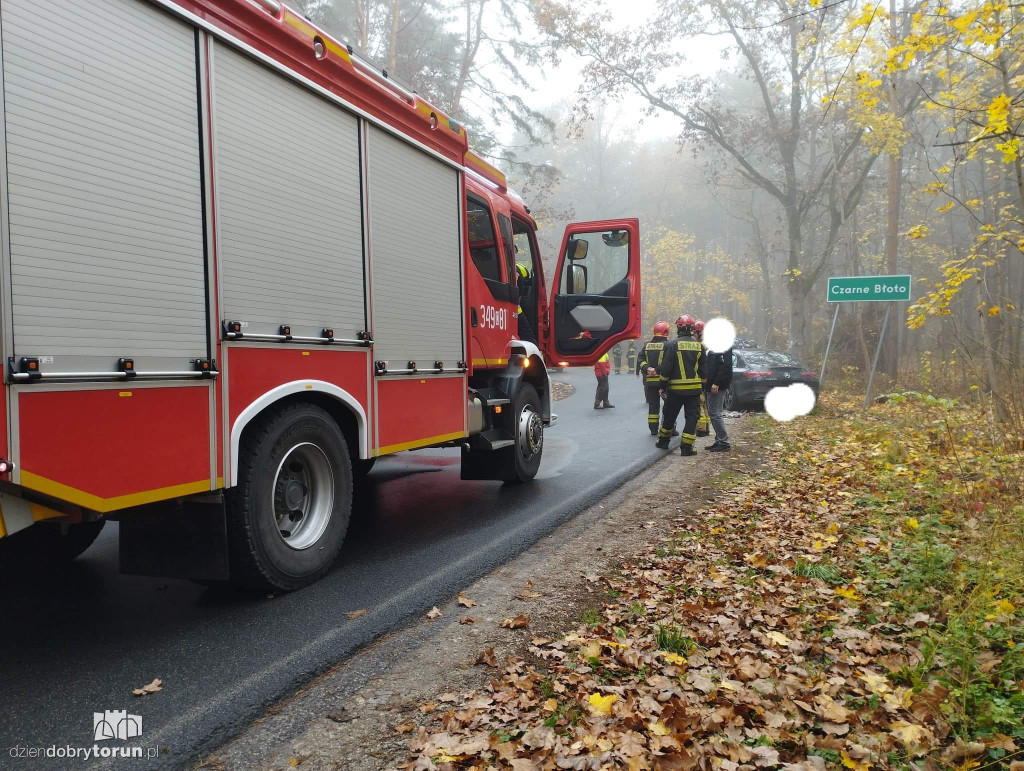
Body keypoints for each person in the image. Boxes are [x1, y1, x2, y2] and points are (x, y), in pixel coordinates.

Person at [655, 315, 704, 456]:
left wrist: (662, 386)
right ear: (691, 328)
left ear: (679, 328)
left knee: (669, 416)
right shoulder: (699, 346)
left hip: (675, 390)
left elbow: (666, 369)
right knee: (692, 418)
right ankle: (687, 448)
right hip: (694, 391)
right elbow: (703, 370)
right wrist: (703, 387)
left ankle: (663, 442)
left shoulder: (672, 345)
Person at [637, 321, 671, 435]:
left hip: (650, 383)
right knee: (669, 405)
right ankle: (668, 428)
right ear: (666, 332)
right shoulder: (668, 345)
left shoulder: (647, 346)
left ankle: (653, 429)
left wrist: (647, 369)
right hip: (664, 382)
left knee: (653, 406)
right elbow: (668, 363)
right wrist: (657, 369)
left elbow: (640, 360)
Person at [705, 342, 733, 452]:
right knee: (715, 412)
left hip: (716, 385)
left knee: (715, 413)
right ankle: (719, 441)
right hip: (711, 384)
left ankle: (724, 442)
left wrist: (716, 383)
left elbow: (724, 367)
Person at [693, 319, 711, 438]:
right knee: (704, 405)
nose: (693, 335)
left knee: (699, 404)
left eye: (694, 332)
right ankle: (706, 428)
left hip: (701, 379)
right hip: (707, 379)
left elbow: (701, 365)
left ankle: (701, 429)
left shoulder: (701, 345)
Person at [515, 263, 537, 344]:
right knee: (529, 338)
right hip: (515, 309)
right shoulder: (519, 268)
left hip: (513, 307)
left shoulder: (518, 268)